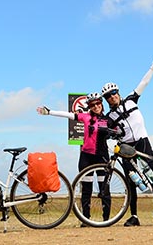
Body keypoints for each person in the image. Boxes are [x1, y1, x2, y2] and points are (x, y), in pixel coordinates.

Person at [103, 50, 153, 227]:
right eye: (108, 96)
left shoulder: (131, 101)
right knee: (131, 181)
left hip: (143, 143)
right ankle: (134, 216)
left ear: (118, 93)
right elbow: (102, 128)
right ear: (106, 100)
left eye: (114, 93)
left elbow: (144, 82)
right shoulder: (109, 116)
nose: (112, 97)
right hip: (127, 148)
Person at [37, 92, 111, 223]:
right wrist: (50, 112)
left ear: (102, 103)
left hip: (102, 157)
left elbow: (120, 131)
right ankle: (85, 219)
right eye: (92, 105)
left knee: (104, 189)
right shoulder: (86, 117)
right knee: (86, 189)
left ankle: (106, 219)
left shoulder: (108, 120)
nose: (96, 106)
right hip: (86, 157)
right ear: (89, 106)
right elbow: (68, 115)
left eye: (98, 103)